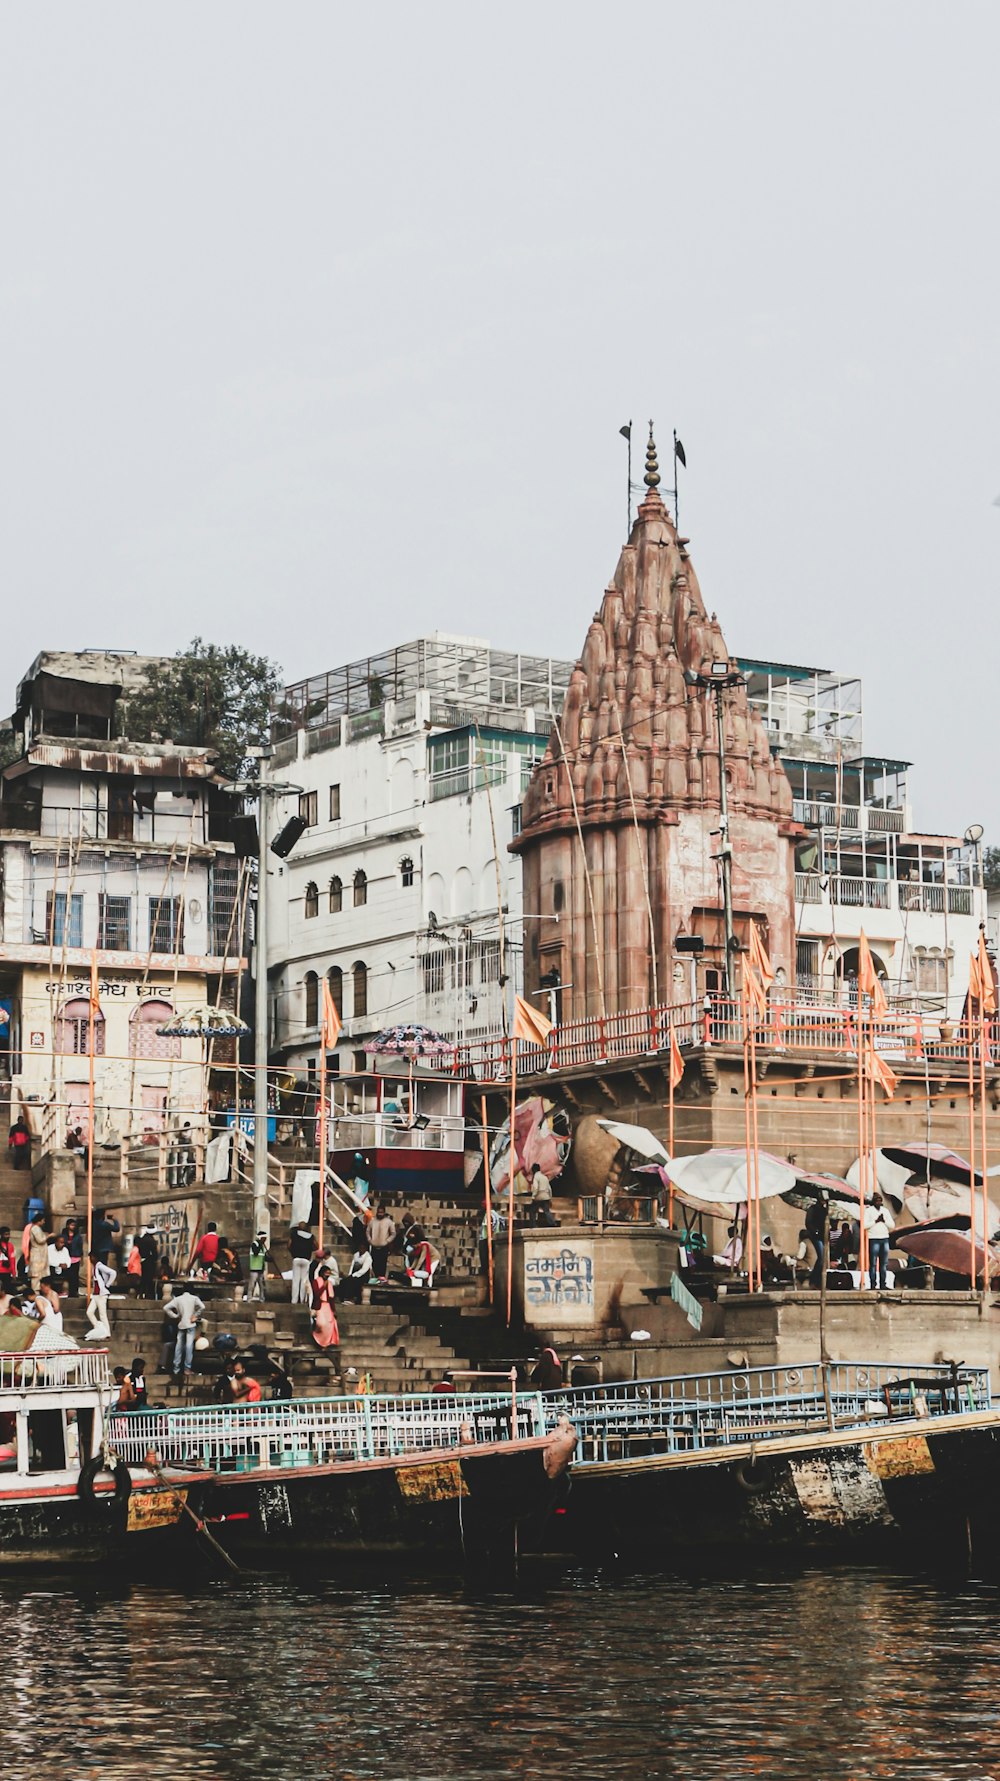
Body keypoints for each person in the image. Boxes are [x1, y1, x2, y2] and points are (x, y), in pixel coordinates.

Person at [164, 1285, 206, 1380]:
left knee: (178, 1347)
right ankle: (187, 1369)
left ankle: (176, 1369)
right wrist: (195, 1315)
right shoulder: (194, 1298)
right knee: (188, 1346)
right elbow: (202, 1307)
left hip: (182, 1324)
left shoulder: (178, 1299)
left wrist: (175, 1316)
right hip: (190, 1324)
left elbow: (166, 1308)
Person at [865, 1193, 895, 1290]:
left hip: (884, 1238)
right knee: (873, 1264)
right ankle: (873, 1284)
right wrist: (876, 1221)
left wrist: (884, 1220)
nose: (878, 1202)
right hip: (873, 1239)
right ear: (873, 1201)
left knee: (884, 1264)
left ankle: (883, 1284)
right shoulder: (868, 1211)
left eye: (880, 1200)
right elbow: (864, 1225)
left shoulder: (885, 1211)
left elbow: (892, 1225)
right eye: (876, 1200)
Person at [84, 1254, 116, 1340]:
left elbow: (113, 1273)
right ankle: (98, 1328)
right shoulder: (94, 1267)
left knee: (103, 1315)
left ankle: (107, 1333)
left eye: (91, 1257)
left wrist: (108, 1284)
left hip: (101, 1294)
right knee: (89, 1312)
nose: (90, 1259)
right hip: (95, 1294)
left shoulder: (100, 1266)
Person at [310, 1265, 340, 1352]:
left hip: (327, 1306)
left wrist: (334, 1310)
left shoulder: (329, 1283)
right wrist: (323, 1286)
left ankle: (326, 1344)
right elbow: (316, 1294)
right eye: (326, 1273)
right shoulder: (316, 1281)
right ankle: (318, 1339)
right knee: (322, 1324)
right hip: (319, 1305)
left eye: (329, 1274)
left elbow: (331, 1298)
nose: (327, 1275)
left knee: (330, 1324)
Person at [289, 1222, 314, 1305]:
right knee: (304, 1280)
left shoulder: (294, 1234)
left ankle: (294, 1300)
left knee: (296, 1280)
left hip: (296, 1258)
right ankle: (302, 1299)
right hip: (306, 1259)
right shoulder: (310, 1236)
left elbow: (289, 1245)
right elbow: (316, 1245)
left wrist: (293, 1252)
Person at [368, 1204, 396, 1279]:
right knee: (374, 1265)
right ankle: (374, 1280)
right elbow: (367, 1232)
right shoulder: (372, 1221)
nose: (380, 1214)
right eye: (379, 1212)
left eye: (381, 1212)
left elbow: (393, 1233)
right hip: (374, 1247)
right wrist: (370, 1240)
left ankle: (381, 1281)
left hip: (384, 1247)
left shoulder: (389, 1222)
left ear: (384, 1212)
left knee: (382, 1266)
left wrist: (387, 1241)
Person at [28, 1213, 52, 1294]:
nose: (44, 1222)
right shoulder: (35, 1228)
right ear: (39, 1220)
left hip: (41, 1256)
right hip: (37, 1256)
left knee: (41, 1276)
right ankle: (35, 1293)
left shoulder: (37, 1228)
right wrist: (49, 1236)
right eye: (43, 1220)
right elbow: (40, 1240)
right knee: (36, 1276)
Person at [247, 1231, 273, 1302]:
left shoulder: (262, 1247)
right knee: (252, 1284)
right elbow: (256, 1253)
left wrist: (270, 1259)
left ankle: (262, 1299)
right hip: (254, 1268)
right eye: (264, 1238)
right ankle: (249, 1298)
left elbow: (263, 1257)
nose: (265, 1240)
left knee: (262, 1285)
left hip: (261, 1268)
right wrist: (260, 1243)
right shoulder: (255, 1244)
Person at [64, 1220, 84, 1297]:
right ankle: (69, 1291)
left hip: (75, 1257)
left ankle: (75, 1291)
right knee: (69, 1275)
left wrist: (81, 1256)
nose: (73, 1227)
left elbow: (80, 1247)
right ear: (67, 1225)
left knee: (75, 1276)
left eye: (74, 1225)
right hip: (66, 1257)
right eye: (71, 1225)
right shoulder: (64, 1235)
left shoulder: (78, 1236)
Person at [138, 1226, 159, 1300]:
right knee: (149, 1279)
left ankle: (141, 1294)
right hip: (149, 1261)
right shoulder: (151, 1241)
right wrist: (155, 1259)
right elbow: (154, 1253)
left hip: (142, 1261)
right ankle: (148, 1295)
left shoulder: (142, 1239)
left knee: (143, 1278)